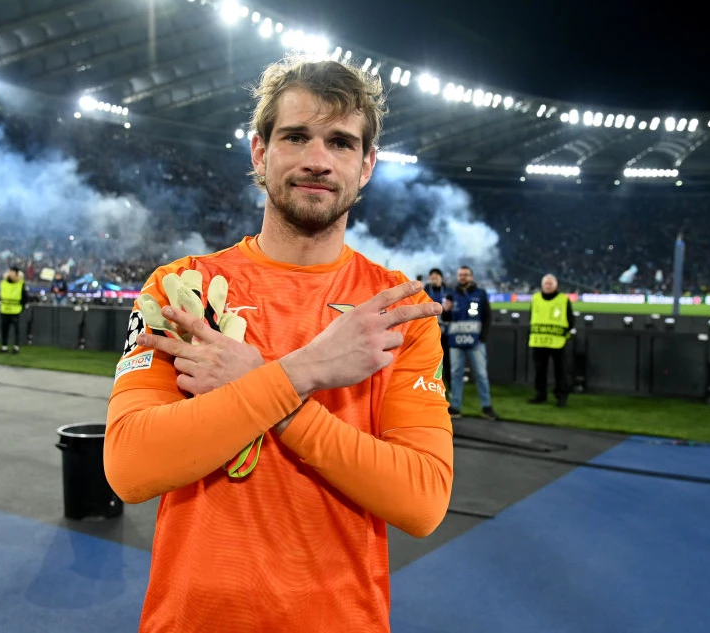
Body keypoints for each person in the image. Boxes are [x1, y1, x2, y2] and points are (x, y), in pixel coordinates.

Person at [104, 57, 453, 633]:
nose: (317, 160)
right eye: (296, 137)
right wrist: (304, 370)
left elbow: (421, 499)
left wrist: (260, 382)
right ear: (260, 153)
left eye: (341, 143)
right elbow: (130, 466)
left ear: (366, 167)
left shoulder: (394, 308)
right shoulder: (180, 287)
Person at [442, 265, 498, 420]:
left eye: (466, 274)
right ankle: (455, 407)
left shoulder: (480, 293)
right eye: (460, 275)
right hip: (456, 342)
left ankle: (486, 407)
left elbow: (487, 316)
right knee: (455, 375)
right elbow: (446, 319)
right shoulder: (451, 294)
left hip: (475, 342)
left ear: (471, 276)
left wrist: (483, 337)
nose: (463, 277)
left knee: (481, 374)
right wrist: (445, 310)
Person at [528, 274, 574, 407]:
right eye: (546, 284)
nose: (548, 286)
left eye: (550, 284)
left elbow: (570, 321)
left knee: (560, 371)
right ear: (542, 285)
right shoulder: (535, 298)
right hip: (539, 341)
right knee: (539, 371)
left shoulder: (563, 300)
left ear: (556, 285)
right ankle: (540, 395)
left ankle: (561, 396)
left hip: (557, 342)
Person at [423, 267, 451, 391]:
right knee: (431, 360)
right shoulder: (425, 291)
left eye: (436, 277)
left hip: (446, 332)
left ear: (441, 277)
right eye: (432, 277)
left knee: (447, 360)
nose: (434, 279)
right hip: (430, 332)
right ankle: (431, 384)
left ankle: (449, 384)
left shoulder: (448, 292)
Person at [0, 266, 27, 353]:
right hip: (4, 310)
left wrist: (21, 307)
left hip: (15, 310)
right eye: (10, 272)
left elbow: (24, 297)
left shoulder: (21, 284)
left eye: (13, 272)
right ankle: (4, 347)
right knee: (4, 329)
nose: (11, 274)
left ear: (17, 274)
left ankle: (16, 347)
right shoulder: (3, 283)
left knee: (16, 330)